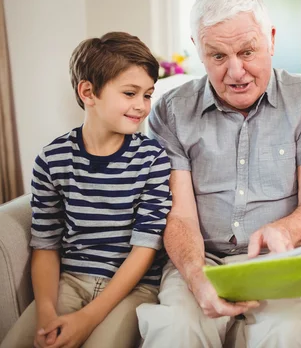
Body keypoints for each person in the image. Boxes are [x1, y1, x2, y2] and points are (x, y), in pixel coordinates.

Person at [136, 0, 301, 348]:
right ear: (198, 49)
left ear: (272, 40)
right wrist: (195, 274)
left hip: (280, 264)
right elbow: (180, 216)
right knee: (175, 331)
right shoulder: (171, 110)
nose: (236, 72)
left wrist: (285, 230)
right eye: (217, 56)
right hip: (202, 259)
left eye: (247, 51)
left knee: (288, 335)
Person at [0, 32, 172, 348]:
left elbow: (146, 248)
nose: (141, 106)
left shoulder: (152, 157)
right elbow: (46, 244)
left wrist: (88, 319)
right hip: (71, 282)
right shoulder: (53, 158)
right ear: (88, 92)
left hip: (134, 289)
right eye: (130, 93)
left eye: (147, 95)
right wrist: (47, 312)